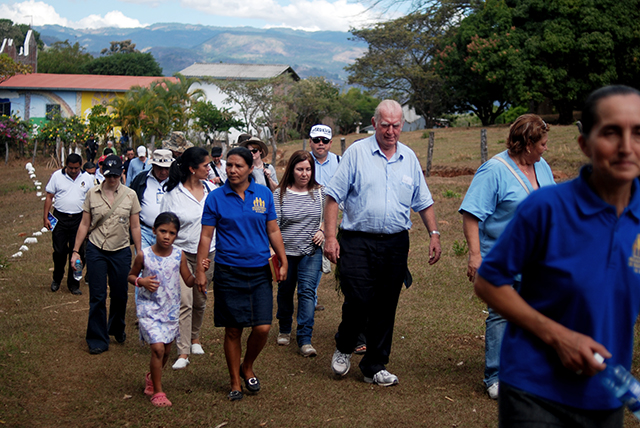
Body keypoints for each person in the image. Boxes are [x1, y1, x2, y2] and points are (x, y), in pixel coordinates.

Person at [474, 85, 640, 427]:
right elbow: (489, 282)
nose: (627, 146)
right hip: (534, 389)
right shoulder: (545, 208)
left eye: (638, 132)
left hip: (606, 392)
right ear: (585, 144)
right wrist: (558, 336)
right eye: (611, 132)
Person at [324, 99, 442, 387]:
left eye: (396, 126)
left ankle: (374, 366)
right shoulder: (356, 153)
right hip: (357, 240)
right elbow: (332, 197)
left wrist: (434, 234)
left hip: (394, 244)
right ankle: (345, 344)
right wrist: (329, 236)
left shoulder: (409, 158)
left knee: (386, 305)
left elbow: (423, 202)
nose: (391, 131)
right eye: (385, 125)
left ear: (403, 125)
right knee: (359, 299)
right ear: (375, 123)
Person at [458, 114, 555, 399]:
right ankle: (496, 376)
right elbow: (471, 215)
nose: (545, 148)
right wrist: (475, 256)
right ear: (527, 144)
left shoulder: (542, 166)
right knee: (501, 314)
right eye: (542, 144)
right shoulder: (494, 171)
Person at [195, 146, 288, 401]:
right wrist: (201, 269)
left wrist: (283, 258)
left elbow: (273, 230)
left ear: (250, 169)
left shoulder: (263, 194)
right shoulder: (215, 198)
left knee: (263, 327)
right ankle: (235, 380)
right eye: (229, 165)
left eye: (238, 166)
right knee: (233, 330)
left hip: (259, 271)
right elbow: (205, 235)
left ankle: (248, 365)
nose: (232, 170)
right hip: (228, 270)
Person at [127, 212, 204, 408]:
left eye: (171, 233)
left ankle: (152, 377)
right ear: (154, 231)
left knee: (167, 350)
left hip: (170, 310)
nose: (166, 236)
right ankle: (159, 392)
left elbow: (187, 280)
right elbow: (131, 276)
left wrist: (199, 274)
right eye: (162, 231)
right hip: (149, 309)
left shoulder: (179, 255)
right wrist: (141, 281)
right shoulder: (144, 255)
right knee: (158, 348)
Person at [70, 155, 142, 355]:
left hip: (120, 250)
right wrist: (76, 251)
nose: (112, 179)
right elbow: (85, 224)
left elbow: (135, 225)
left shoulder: (130, 195)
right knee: (97, 296)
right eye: (109, 175)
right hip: (96, 249)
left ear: (122, 174)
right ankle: (97, 338)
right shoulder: (92, 194)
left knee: (119, 295)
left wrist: (139, 251)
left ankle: (116, 327)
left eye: (116, 175)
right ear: (103, 173)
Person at [160, 147, 215, 370]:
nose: (210, 169)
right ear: (192, 169)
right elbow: (164, 226)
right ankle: (182, 351)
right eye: (205, 166)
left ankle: (194, 338)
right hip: (181, 256)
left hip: (208, 254)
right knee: (185, 301)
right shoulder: (173, 195)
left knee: (200, 299)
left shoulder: (213, 191)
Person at [274, 150, 325, 357]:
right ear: (291, 170)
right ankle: (285, 327)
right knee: (285, 292)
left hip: (311, 252)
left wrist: (323, 230)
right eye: (300, 169)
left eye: (308, 169)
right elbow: (274, 226)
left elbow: (327, 217)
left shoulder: (321, 192)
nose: (304, 174)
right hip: (285, 253)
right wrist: (276, 252)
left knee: (307, 292)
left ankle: (305, 338)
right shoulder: (280, 194)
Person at [43, 153, 94, 295]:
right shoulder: (56, 176)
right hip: (60, 218)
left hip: (79, 219)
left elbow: (92, 199)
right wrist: (46, 217)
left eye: (76, 168)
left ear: (80, 166)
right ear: (66, 165)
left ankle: (74, 283)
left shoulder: (88, 179)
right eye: (70, 168)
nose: (73, 171)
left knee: (78, 253)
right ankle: (57, 279)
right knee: (59, 251)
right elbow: (49, 197)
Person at [131, 149, 174, 249]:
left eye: (166, 168)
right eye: (159, 168)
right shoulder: (141, 179)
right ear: (153, 166)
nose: (163, 172)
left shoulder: (175, 181)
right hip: (144, 231)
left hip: (167, 233)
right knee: (144, 262)